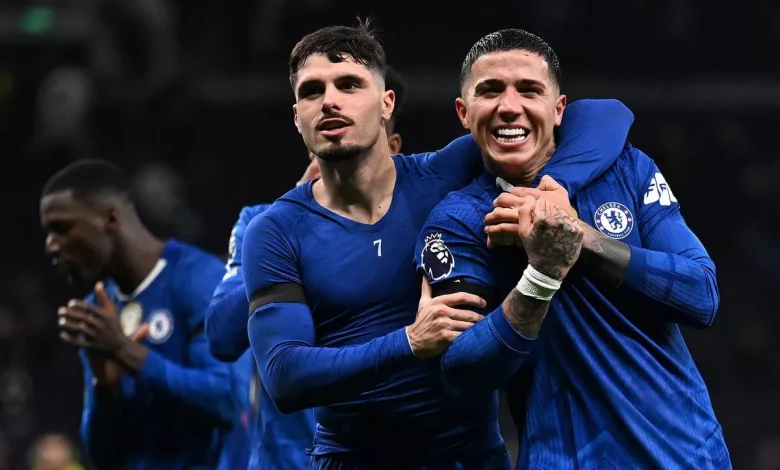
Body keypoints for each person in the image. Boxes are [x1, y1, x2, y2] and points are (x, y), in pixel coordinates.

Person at [242, 20, 633, 469]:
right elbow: (284, 377)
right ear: (297, 116)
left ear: (387, 103)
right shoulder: (275, 231)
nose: (330, 100)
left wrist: (553, 188)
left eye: (349, 84)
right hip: (352, 459)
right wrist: (410, 341)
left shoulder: (444, 173)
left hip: (469, 458)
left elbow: (607, 115)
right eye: (312, 91)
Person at [415, 28, 730, 469]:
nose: (510, 106)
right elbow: (463, 373)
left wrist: (581, 240)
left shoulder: (626, 167)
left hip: (688, 455)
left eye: (529, 90)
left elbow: (701, 296)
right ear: (464, 113)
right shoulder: (459, 221)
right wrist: (541, 278)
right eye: (491, 91)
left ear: (559, 109)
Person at [205, 64, 409, 470]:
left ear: (393, 145)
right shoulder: (262, 224)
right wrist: (288, 230)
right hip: (285, 461)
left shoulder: (423, 220)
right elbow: (222, 337)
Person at [40, 160, 247, 470]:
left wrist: (126, 351)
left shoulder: (200, 280)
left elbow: (228, 402)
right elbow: (104, 457)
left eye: (61, 228)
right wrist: (105, 387)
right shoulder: (99, 310)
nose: (51, 246)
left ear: (111, 218)